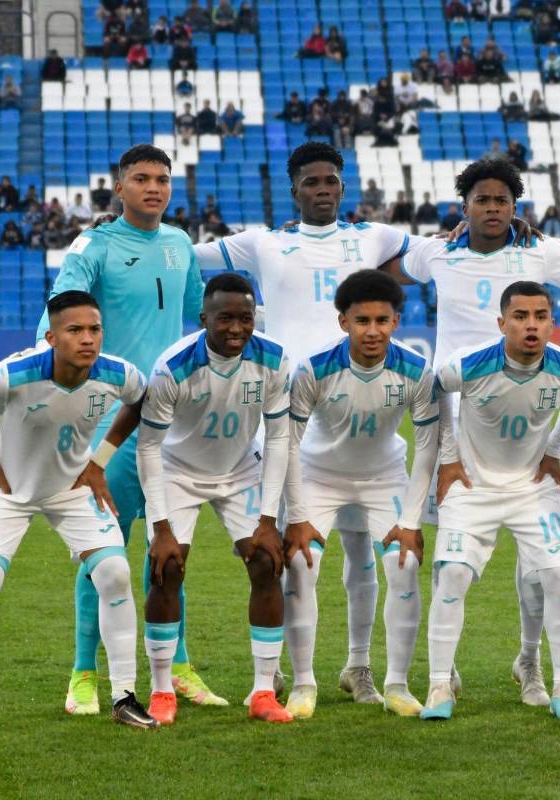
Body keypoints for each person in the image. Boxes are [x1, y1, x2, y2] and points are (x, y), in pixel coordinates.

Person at [389, 161, 560, 703]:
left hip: (525, 419)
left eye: (502, 201)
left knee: (539, 566)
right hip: (455, 424)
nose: (492, 208)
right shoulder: (436, 252)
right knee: (450, 555)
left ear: (515, 207)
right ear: (464, 207)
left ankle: (530, 662)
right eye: (482, 200)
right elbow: (382, 270)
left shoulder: (539, 252)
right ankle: (444, 672)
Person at [193, 144, 414, 707]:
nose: (323, 190)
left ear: (342, 187)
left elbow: (437, 251)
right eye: (312, 182)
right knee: (294, 556)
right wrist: (133, 232)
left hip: (357, 410)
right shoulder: (263, 242)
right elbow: (185, 256)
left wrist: (492, 233)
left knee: (363, 557)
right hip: (291, 412)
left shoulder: (373, 236)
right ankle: (291, 672)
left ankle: (359, 667)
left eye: (331, 181)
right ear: (294, 189)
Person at [36, 145, 211, 716]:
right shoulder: (94, 245)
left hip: (169, 420)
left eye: (162, 178)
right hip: (110, 423)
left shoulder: (180, 243)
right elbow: (59, 313)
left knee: (171, 549)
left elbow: (201, 318)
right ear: (119, 187)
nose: (153, 187)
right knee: (103, 550)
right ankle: (83, 674)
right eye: (141, 178)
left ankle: (177, 666)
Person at [0, 290, 156, 734]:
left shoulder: (118, 373)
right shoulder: (15, 372)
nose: (87, 339)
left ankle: (124, 696)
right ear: (52, 338)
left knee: (115, 574)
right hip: (7, 488)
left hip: (71, 489)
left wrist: (100, 461)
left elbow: (141, 401)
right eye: (75, 330)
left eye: (94, 329)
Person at [419, 281, 560, 721]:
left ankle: (557, 682)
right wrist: (448, 457)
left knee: (555, 576)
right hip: (472, 486)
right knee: (453, 574)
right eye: (520, 317)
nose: (531, 325)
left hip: (532, 486)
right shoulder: (469, 365)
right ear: (502, 323)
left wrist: (554, 449)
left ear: (552, 323)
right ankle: (440, 684)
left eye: (540, 316)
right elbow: (437, 389)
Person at [129, 273, 292, 725]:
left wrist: (268, 519)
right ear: (204, 319)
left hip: (240, 471)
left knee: (266, 562)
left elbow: (279, 438)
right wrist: (160, 528)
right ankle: (162, 690)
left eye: (246, 318)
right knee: (167, 569)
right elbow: (148, 447)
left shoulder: (274, 359)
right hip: (178, 473)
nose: (237, 328)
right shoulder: (173, 366)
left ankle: (263, 692)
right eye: (225, 319)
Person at [283, 270, 439, 718]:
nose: (373, 331)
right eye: (362, 321)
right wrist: (296, 514)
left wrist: (410, 521)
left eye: (382, 321)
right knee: (301, 564)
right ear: (343, 322)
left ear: (396, 321)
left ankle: (394, 683)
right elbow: (287, 443)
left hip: (383, 478)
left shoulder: (416, 370)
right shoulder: (314, 368)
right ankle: (303, 683)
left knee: (403, 565)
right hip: (318, 476)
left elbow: (428, 446)